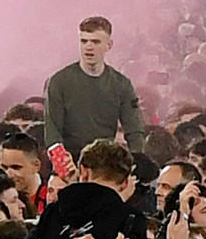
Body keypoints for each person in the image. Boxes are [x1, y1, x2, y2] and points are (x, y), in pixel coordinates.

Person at [44, 23, 142, 159]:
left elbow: (134, 130)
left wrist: (137, 161)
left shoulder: (122, 84)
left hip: (105, 161)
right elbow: (52, 131)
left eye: (95, 42)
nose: (88, 47)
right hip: (70, 159)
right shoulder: (59, 81)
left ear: (109, 45)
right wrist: (62, 166)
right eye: (84, 41)